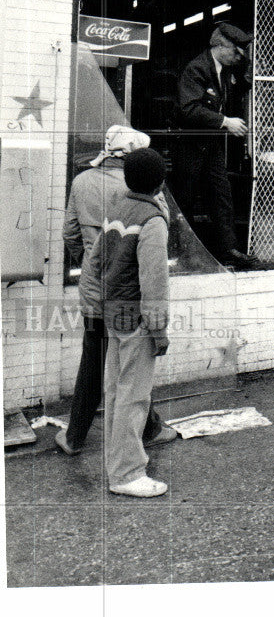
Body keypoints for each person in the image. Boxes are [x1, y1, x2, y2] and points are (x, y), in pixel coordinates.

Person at [56, 126, 177, 456]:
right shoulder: (139, 191)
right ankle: (138, 443)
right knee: (130, 368)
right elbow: (157, 233)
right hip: (127, 295)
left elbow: (69, 234)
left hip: (94, 288)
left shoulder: (82, 182)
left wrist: (92, 262)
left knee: (95, 358)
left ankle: (76, 437)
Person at [89, 147, 172, 497]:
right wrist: (159, 330)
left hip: (113, 312)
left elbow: (94, 264)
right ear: (161, 182)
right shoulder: (152, 219)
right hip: (137, 316)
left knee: (116, 391)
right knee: (134, 395)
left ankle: (119, 464)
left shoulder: (117, 209)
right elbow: (154, 283)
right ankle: (126, 474)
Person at [174, 23, 259, 269]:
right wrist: (225, 122)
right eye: (234, 51)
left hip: (210, 146)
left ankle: (228, 251)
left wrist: (250, 66)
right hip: (190, 145)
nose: (237, 57)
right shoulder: (196, 69)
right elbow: (188, 109)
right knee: (186, 199)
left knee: (221, 196)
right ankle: (183, 253)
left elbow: (242, 85)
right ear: (219, 46)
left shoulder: (224, 70)